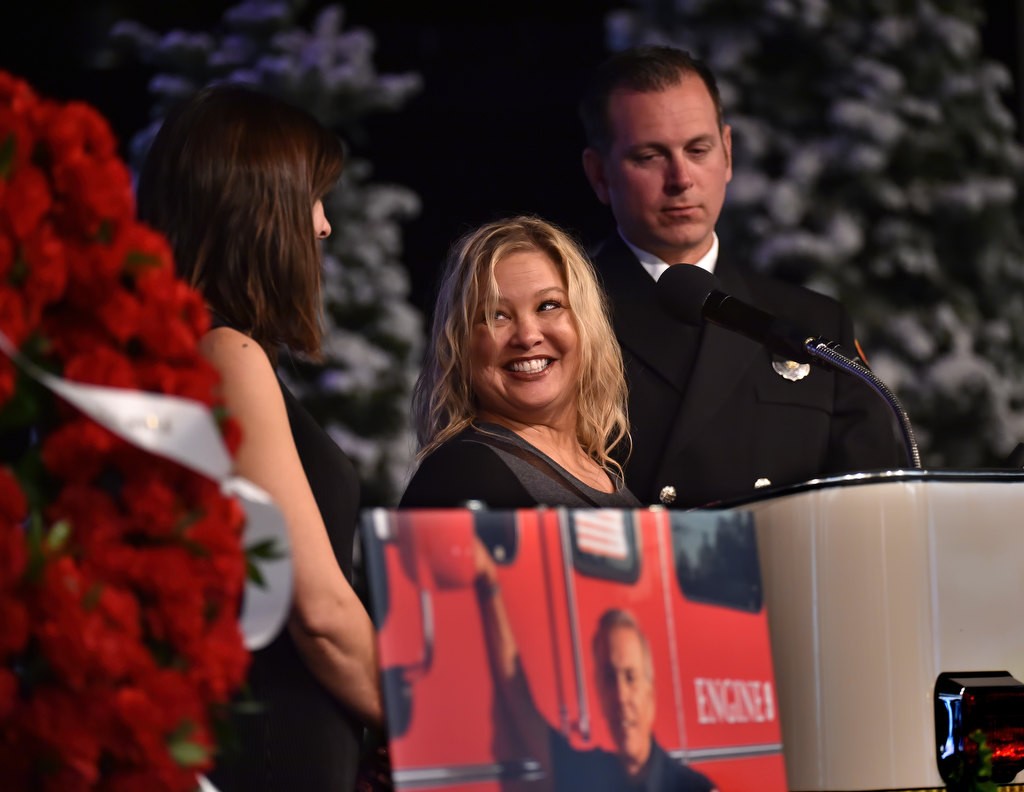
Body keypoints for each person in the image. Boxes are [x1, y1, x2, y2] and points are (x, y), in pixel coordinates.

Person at [137, 84, 381, 791]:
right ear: (258, 210)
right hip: (270, 755)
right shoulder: (225, 355)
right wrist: (448, 727)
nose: (326, 226)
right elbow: (321, 613)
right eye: (311, 200)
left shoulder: (191, 351)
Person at [579, 45, 905, 508]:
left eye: (698, 150)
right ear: (599, 175)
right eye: (650, 156)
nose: (681, 179)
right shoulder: (562, 319)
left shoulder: (811, 323)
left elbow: (873, 506)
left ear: (727, 155)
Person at [400, 215, 641, 509]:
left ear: (586, 324)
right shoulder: (462, 475)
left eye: (548, 306)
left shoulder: (599, 470)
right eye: (495, 315)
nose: (527, 336)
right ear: (461, 345)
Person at [471, 537, 716, 791]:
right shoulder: (587, 774)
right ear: (598, 693)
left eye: (630, 677)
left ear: (650, 693)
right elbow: (520, 701)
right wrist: (491, 585)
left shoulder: (692, 788)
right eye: (610, 678)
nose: (620, 696)